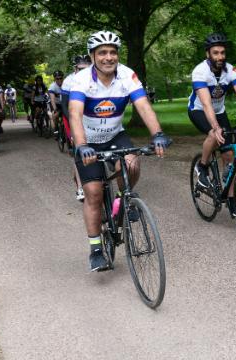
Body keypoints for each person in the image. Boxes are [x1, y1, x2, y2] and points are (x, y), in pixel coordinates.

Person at [69, 30, 172, 272]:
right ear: (92, 56)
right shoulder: (81, 79)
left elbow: (143, 106)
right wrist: (82, 145)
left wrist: (157, 133)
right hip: (88, 141)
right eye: (102, 52)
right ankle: (95, 249)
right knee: (93, 192)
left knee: (132, 163)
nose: (108, 57)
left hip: (115, 135)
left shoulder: (127, 76)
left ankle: (122, 201)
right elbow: (74, 113)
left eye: (112, 52)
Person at [187, 32, 236, 216]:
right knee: (214, 135)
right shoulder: (200, 72)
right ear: (208, 54)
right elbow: (205, 103)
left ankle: (231, 201)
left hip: (219, 112)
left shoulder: (231, 71)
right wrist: (215, 127)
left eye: (222, 52)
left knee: (230, 156)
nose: (220, 56)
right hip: (198, 110)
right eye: (216, 53)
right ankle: (202, 167)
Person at [62, 54, 92, 202]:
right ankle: (80, 186)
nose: (83, 71)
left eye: (86, 68)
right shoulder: (68, 81)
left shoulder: (95, 77)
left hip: (88, 115)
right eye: (80, 69)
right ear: (75, 68)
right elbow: (65, 107)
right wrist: (75, 129)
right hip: (71, 116)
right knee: (78, 149)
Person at [48, 70, 63, 135]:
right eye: (57, 78)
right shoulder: (52, 86)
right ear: (54, 79)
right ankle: (56, 129)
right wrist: (55, 109)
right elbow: (52, 99)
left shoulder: (67, 85)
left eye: (60, 78)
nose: (59, 80)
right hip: (56, 104)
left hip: (64, 103)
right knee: (55, 116)